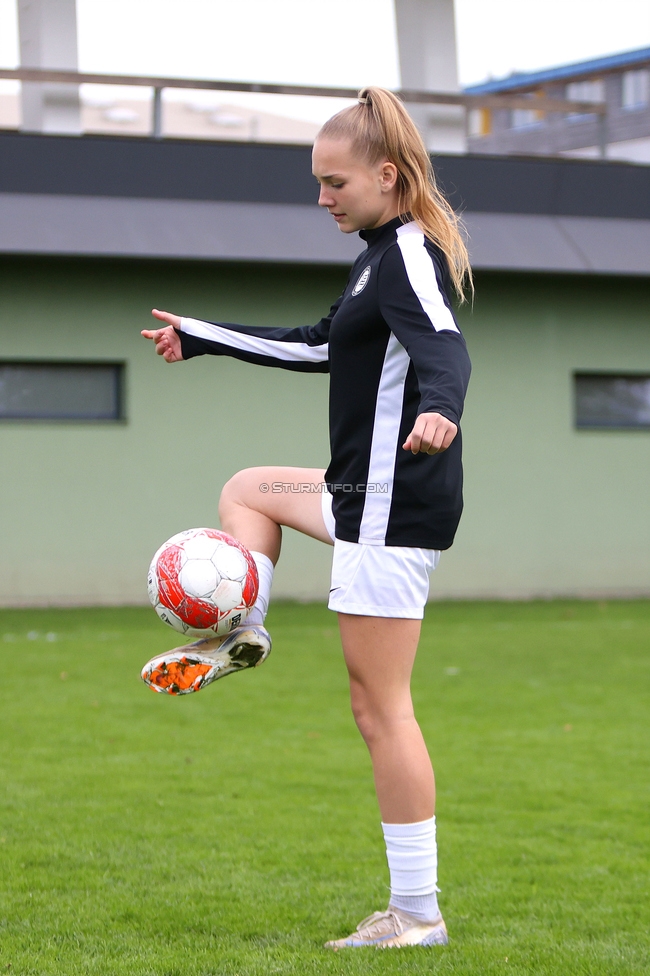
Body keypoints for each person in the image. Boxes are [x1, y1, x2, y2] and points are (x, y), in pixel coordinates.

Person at [140, 86, 472, 950]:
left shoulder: (407, 254)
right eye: (317, 182)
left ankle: (416, 913)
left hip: (393, 506)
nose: (321, 197)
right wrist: (203, 334)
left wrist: (440, 408)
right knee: (250, 488)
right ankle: (238, 631)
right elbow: (319, 346)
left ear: (386, 176)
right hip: (357, 493)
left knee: (381, 710)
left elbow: (444, 346)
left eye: (335, 182)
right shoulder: (374, 255)